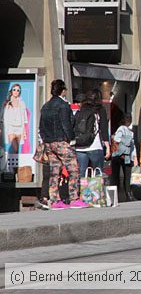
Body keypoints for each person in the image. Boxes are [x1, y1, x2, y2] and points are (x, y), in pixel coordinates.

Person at [38, 80, 86, 209]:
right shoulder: (63, 105)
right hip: (61, 141)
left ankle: (54, 200)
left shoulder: (45, 106)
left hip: (49, 142)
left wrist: (45, 139)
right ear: (63, 90)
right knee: (73, 169)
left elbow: (41, 126)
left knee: (54, 171)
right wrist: (71, 139)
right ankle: (74, 198)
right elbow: (66, 124)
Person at [73, 89, 110, 177]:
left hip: (80, 146)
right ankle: (96, 190)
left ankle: (81, 190)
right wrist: (108, 147)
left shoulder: (81, 110)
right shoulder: (100, 110)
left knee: (81, 173)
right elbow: (104, 129)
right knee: (98, 172)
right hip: (94, 145)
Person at [3, 83, 30, 174]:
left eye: (18, 90)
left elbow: (24, 117)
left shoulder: (21, 103)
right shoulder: (7, 102)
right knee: (13, 147)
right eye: (14, 89)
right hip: (10, 127)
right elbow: (3, 116)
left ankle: (15, 169)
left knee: (17, 149)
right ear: (11, 91)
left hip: (19, 127)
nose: (16, 92)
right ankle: (12, 168)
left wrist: (24, 130)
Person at [111, 114, 135, 202]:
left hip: (119, 155)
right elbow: (117, 139)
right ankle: (128, 195)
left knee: (117, 176)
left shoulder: (128, 130)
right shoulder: (122, 128)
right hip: (123, 155)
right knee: (126, 176)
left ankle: (116, 196)